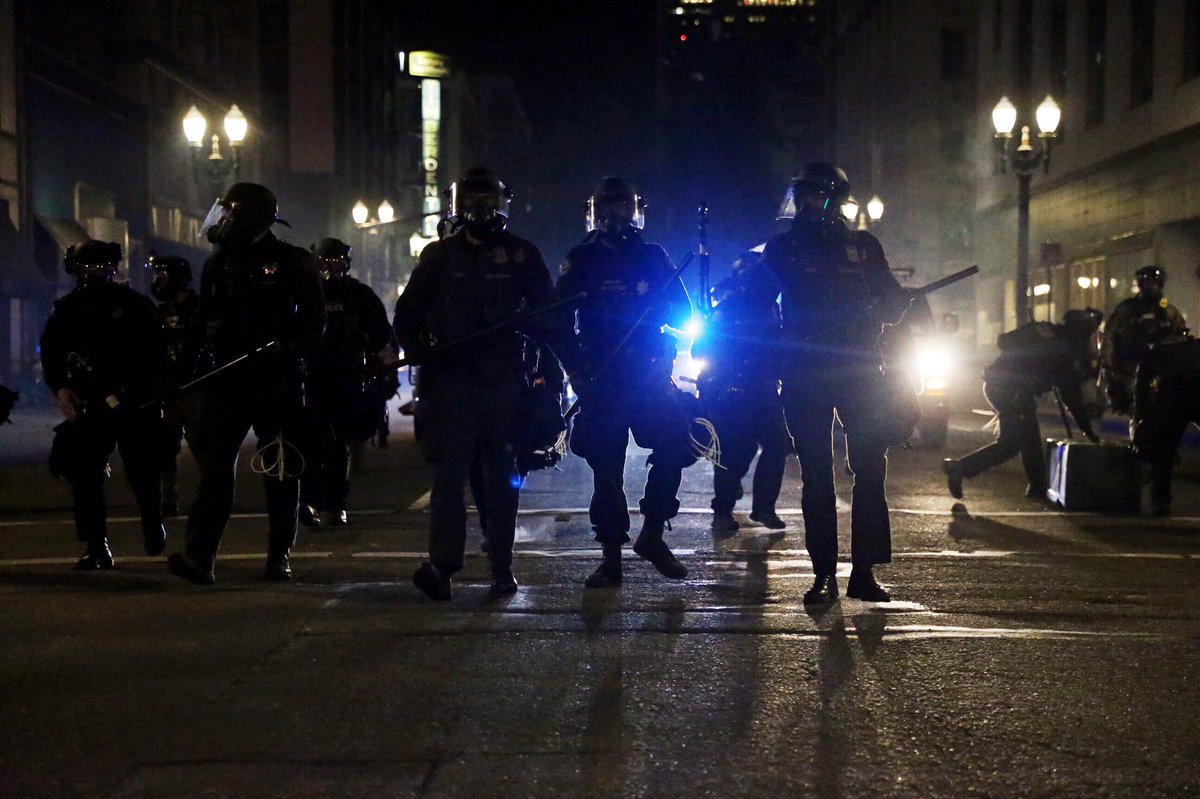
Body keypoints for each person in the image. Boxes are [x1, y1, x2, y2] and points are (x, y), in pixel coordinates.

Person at [393, 167, 559, 600]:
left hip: (504, 382)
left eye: (489, 199)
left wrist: (528, 323)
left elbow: (551, 315)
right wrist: (421, 348)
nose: (480, 209)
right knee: (449, 481)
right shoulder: (440, 256)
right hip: (451, 383)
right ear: (458, 205)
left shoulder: (522, 254)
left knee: (502, 477)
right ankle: (443, 566)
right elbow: (407, 315)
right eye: (472, 200)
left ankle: (501, 567)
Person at [762, 162, 911, 604]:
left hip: (860, 371)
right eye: (803, 196)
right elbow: (757, 304)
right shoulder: (783, 249)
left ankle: (863, 572)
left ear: (833, 198)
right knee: (817, 479)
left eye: (817, 196)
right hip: (806, 371)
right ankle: (823, 574)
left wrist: (894, 303)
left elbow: (890, 302)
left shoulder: (863, 248)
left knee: (869, 471)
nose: (809, 205)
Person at [166, 182, 325, 585]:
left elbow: (313, 320)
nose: (225, 220)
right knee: (215, 468)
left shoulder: (292, 261)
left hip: (277, 380)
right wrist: (183, 373)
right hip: (229, 379)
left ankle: (279, 554)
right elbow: (204, 321)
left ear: (251, 216)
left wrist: (290, 347)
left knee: (280, 467)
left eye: (232, 212)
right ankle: (200, 557)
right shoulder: (218, 262)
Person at [555, 176, 697, 589]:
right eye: (607, 208)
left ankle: (653, 531)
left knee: (677, 443)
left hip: (649, 376)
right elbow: (558, 321)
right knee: (606, 468)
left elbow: (684, 311)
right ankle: (610, 554)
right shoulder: (582, 259)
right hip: (602, 378)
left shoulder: (653, 256)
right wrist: (576, 371)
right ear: (595, 213)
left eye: (622, 207)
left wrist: (659, 304)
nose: (615, 216)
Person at [40, 240, 167, 569]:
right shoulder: (69, 308)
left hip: (132, 399)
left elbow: (157, 353)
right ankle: (98, 545)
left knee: (140, 471)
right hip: (93, 400)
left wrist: (149, 392)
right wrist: (62, 387)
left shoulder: (133, 305)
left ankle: (149, 524)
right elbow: (53, 352)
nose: (95, 273)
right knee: (86, 473)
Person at [943, 309, 1103, 501]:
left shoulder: (1045, 331)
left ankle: (1037, 487)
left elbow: (1004, 340)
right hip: (1012, 391)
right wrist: (1088, 430)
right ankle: (960, 468)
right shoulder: (1065, 353)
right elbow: (1072, 398)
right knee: (1013, 443)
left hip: (1000, 386)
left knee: (1027, 438)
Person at [299, 237, 398, 528]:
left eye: (337, 262)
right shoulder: (305, 294)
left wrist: (378, 365)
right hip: (310, 377)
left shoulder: (359, 295)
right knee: (311, 442)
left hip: (346, 377)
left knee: (338, 441)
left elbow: (381, 334)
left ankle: (335, 503)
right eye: (325, 262)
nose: (331, 268)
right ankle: (311, 501)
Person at [692, 250, 791, 535]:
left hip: (762, 388)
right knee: (734, 451)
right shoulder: (727, 308)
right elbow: (701, 348)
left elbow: (779, 345)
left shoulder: (772, 309)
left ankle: (764, 507)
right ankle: (722, 510)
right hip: (731, 390)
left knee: (777, 444)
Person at [146, 252, 200, 516]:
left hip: (199, 386)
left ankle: (212, 497)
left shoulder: (200, 309)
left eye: (162, 274)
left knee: (206, 447)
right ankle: (169, 498)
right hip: (168, 389)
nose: (158, 280)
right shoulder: (159, 312)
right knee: (164, 446)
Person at [1101, 266, 1188, 415]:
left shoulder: (1169, 312)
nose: (1150, 287)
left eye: (1154, 283)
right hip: (1131, 367)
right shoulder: (1126, 310)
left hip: (1161, 369)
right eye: (1146, 282)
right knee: (1133, 407)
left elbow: (1181, 339)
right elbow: (1110, 336)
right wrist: (1108, 365)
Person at [1131, 336, 1200, 516]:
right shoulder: (1191, 347)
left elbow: (1141, 386)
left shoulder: (1157, 353)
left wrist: (1140, 416)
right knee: (1164, 448)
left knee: (1163, 451)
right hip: (1187, 390)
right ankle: (1160, 501)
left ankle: (1160, 502)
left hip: (1174, 394)